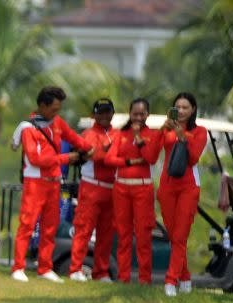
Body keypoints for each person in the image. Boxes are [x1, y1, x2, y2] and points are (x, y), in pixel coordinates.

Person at [10, 86, 93, 283]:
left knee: (50, 226)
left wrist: (90, 149)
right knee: (27, 224)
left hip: (54, 182)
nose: (56, 113)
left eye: (58, 109)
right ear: (42, 105)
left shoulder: (57, 122)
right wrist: (66, 158)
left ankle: (45, 267)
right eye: (54, 109)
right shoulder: (28, 128)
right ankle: (18, 267)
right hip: (35, 182)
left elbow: (73, 137)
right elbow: (35, 158)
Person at [105, 98, 163, 285]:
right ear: (130, 114)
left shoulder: (152, 135)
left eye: (142, 113)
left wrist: (138, 140)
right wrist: (129, 162)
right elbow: (109, 159)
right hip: (121, 187)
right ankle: (123, 277)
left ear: (147, 114)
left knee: (144, 234)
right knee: (123, 234)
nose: (138, 117)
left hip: (143, 188)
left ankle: (145, 279)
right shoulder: (121, 133)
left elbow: (151, 158)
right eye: (135, 113)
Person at [158, 92, 208, 297]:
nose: (180, 110)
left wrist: (182, 136)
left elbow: (194, 157)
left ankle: (171, 280)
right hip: (167, 186)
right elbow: (154, 152)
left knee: (180, 235)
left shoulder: (200, 131)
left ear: (193, 110)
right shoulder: (167, 129)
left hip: (188, 187)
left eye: (185, 107)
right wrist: (163, 129)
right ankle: (185, 276)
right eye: (177, 107)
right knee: (173, 236)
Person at [68, 98, 119, 283]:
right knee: (84, 229)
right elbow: (96, 155)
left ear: (112, 113)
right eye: (101, 112)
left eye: (108, 112)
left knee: (106, 234)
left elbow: (100, 154)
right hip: (91, 187)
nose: (104, 115)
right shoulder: (88, 133)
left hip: (111, 189)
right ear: (94, 114)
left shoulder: (117, 133)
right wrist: (110, 153)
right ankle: (75, 269)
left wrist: (105, 152)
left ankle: (101, 272)